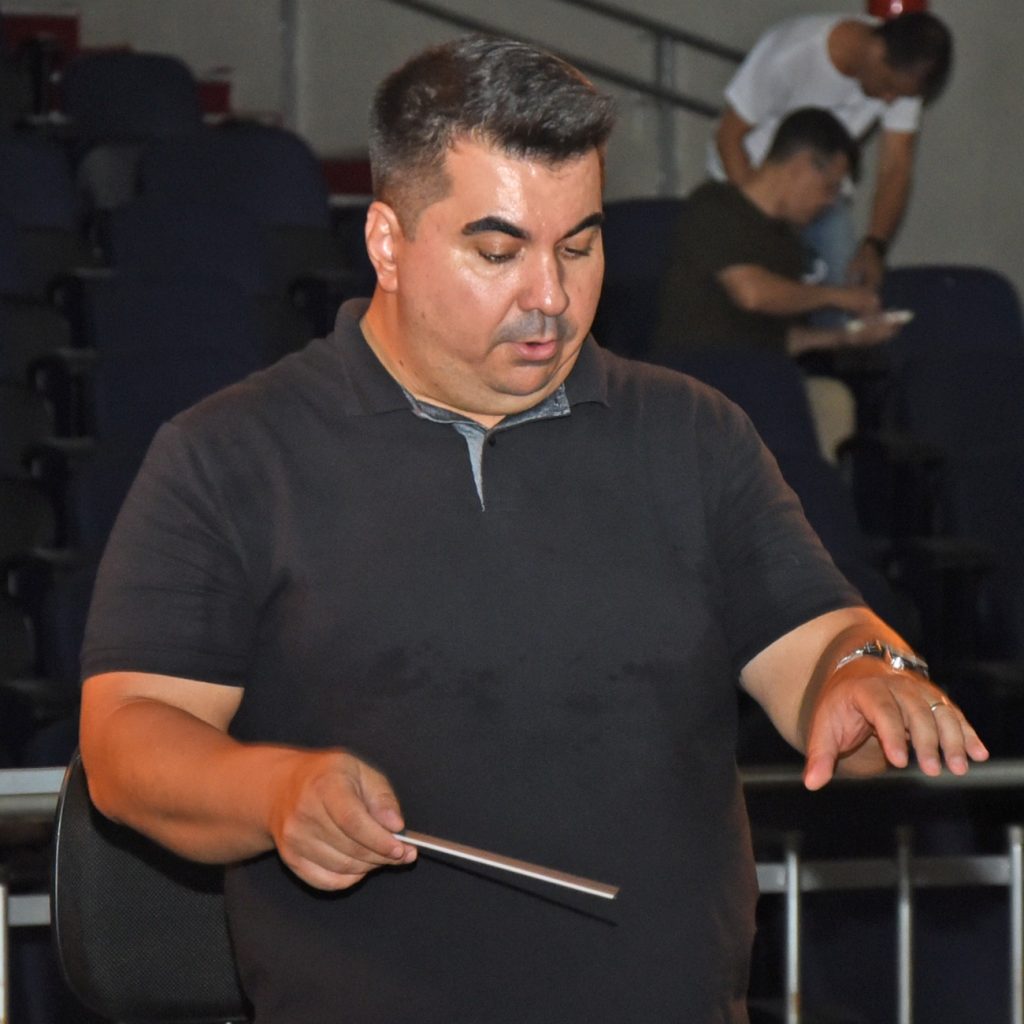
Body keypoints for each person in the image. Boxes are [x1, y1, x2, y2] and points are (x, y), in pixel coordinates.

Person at [78, 35, 987, 1024]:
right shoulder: (231, 454)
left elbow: (827, 643)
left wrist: (869, 678)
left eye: (579, 246)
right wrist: (269, 789)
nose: (550, 296)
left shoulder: (691, 435)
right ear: (387, 242)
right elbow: (127, 740)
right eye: (498, 251)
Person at [654, 107, 903, 458]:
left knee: (814, 408)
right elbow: (751, 293)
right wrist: (838, 296)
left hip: (761, 373)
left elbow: (782, 339)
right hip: (698, 369)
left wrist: (847, 337)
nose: (829, 202)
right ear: (801, 166)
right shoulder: (715, 205)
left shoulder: (788, 245)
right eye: (829, 187)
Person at [710, 11, 952, 292]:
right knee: (761, 297)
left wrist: (874, 245)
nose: (890, 100)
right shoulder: (791, 53)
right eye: (889, 87)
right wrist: (762, 223)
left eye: (899, 95)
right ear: (877, 50)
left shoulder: (904, 77)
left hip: (820, 194)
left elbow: (896, 167)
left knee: (845, 288)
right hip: (748, 186)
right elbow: (729, 138)